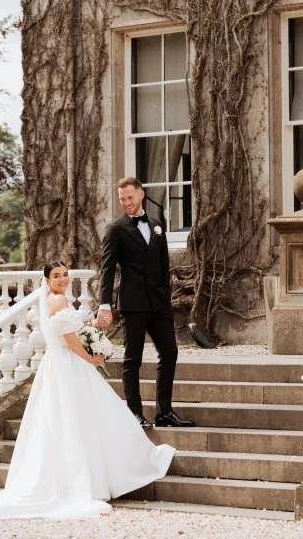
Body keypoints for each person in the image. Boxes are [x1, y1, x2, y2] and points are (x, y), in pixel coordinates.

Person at [0, 261, 174, 520]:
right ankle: (86, 481)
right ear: (47, 280)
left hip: (61, 364)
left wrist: (92, 337)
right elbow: (70, 339)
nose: (63, 279)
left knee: (76, 419)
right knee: (76, 419)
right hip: (67, 365)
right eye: (56, 276)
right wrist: (90, 358)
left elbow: (72, 332)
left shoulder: (55, 300)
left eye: (65, 275)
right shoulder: (57, 302)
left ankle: (95, 477)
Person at [95, 177, 194, 429]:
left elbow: (164, 266)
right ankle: (135, 414)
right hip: (133, 304)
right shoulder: (115, 230)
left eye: (130, 197)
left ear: (141, 194)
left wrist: (166, 293)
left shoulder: (157, 226)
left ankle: (164, 412)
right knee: (132, 360)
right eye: (122, 199)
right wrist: (104, 303)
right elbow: (106, 269)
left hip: (160, 304)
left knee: (170, 353)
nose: (126, 203)